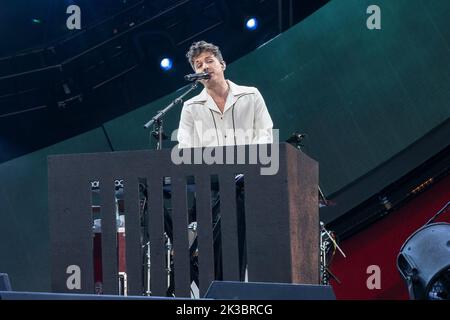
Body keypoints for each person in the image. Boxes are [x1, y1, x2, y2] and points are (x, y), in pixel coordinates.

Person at [177, 40, 273, 148]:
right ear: (197, 76)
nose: (205, 67)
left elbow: (265, 134)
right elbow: (185, 148)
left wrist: (248, 160)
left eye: (209, 61)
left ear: (223, 65)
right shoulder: (190, 107)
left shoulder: (251, 95)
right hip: (208, 164)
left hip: (250, 163)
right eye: (199, 65)